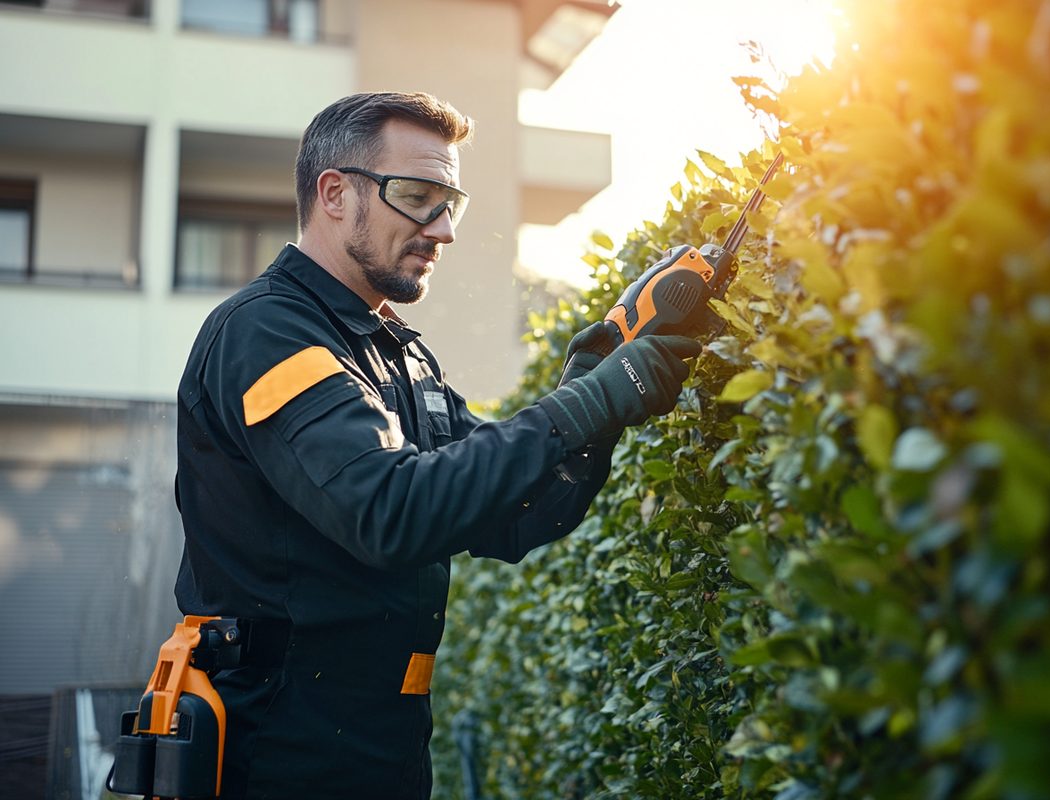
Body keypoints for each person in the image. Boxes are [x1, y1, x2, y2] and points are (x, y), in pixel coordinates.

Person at [172, 91, 700, 799]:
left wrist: (596, 386)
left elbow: (515, 515)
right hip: (278, 752)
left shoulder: (396, 354)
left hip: (381, 750)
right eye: (418, 197)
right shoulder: (268, 335)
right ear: (334, 194)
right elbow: (389, 513)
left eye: (451, 202)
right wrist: (595, 398)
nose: (443, 229)